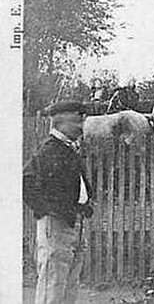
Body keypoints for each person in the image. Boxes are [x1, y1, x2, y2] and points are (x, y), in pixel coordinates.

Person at [23, 100, 94, 304]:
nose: (81, 128)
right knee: (52, 285)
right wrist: (48, 209)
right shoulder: (49, 150)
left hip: (75, 222)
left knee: (69, 285)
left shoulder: (69, 149)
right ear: (60, 122)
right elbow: (26, 182)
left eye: (82, 122)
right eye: (77, 122)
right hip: (56, 225)